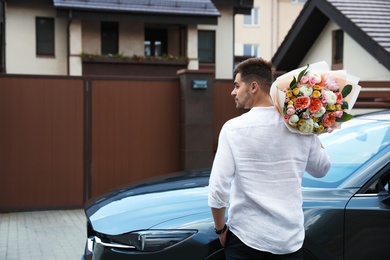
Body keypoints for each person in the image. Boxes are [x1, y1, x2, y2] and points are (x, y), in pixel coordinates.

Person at [208, 57, 331, 259]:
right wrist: (314, 132)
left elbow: (218, 189)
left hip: (246, 239)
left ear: (253, 86)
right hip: (289, 241)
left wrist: (220, 230)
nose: (233, 92)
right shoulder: (300, 126)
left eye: (237, 85)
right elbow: (322, 169)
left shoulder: (233, 129)